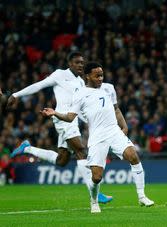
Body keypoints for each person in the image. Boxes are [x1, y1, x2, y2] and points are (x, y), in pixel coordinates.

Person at [41, 62, 154, 213]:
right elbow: (70, 117)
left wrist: (124, 126)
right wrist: (55, 113)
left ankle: (141, 196)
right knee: (96, 177)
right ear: (88, 76)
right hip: (97, 136)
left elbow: (116, 109)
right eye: (97, 76)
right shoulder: (80, 94)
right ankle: (94, 201)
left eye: (102, 75)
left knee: (133, 156)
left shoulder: (109, 88)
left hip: (113, 131)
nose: (100, 78)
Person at [6, 52, 113, 203]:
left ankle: (27, 148)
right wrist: (16, 95)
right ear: (70, 63)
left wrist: (91, 120)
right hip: (62, 120)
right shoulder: (59, 75)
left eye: (82, 63)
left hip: (72, 121)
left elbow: (79, 108)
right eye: (77, 62)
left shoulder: (81, 82)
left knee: (61, 160)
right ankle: (94, 193)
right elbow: (39, 85)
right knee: (81, 151)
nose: (81, 65)